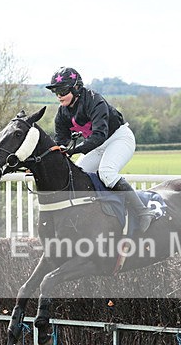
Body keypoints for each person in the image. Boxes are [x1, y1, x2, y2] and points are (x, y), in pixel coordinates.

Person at [46, 66, 154, 233]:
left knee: (107, 172)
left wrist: (74, 150)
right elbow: (61, 140)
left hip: (118, 138)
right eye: (56, 92)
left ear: (76, 88)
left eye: (62, 91)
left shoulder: (94, 100)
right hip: (97, 145)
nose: (59, 96)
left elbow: (99, 135)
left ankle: (142, 211)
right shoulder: (62, 113)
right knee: (75, 175)